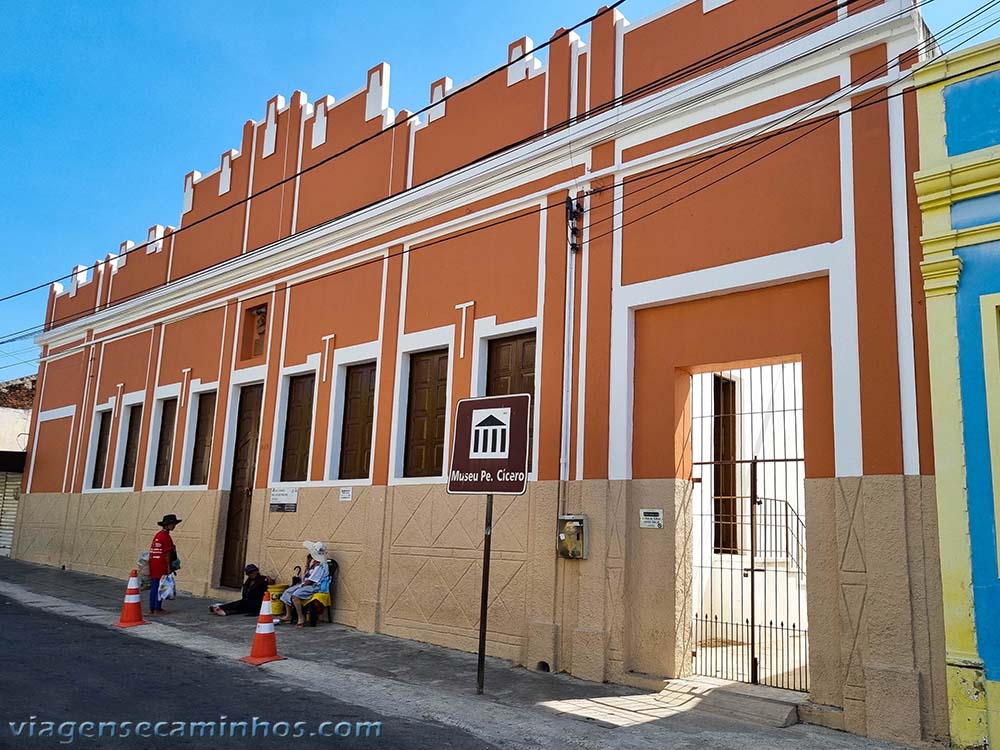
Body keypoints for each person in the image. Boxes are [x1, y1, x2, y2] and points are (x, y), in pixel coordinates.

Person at [279, 541, 330, 628]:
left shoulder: (321, 566)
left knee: (295, 595)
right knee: (287, 591)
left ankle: (301, 617)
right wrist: (307, 564)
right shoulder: (314, 563)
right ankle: (288, 615)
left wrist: (301, 585)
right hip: (307, 584)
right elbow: (306, 575)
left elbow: (311, 580)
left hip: (314, 586)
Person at [148, 514, 180, 614]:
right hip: (161, 564)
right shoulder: (166, 537)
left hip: (154, 563)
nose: (173, 526)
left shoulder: (158, 535)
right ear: (166, 525)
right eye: (172, 524)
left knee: (155, 585)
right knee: (160, 586)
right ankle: (157, 608)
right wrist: (169, 567)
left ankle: (152, 608)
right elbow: (168, 553)